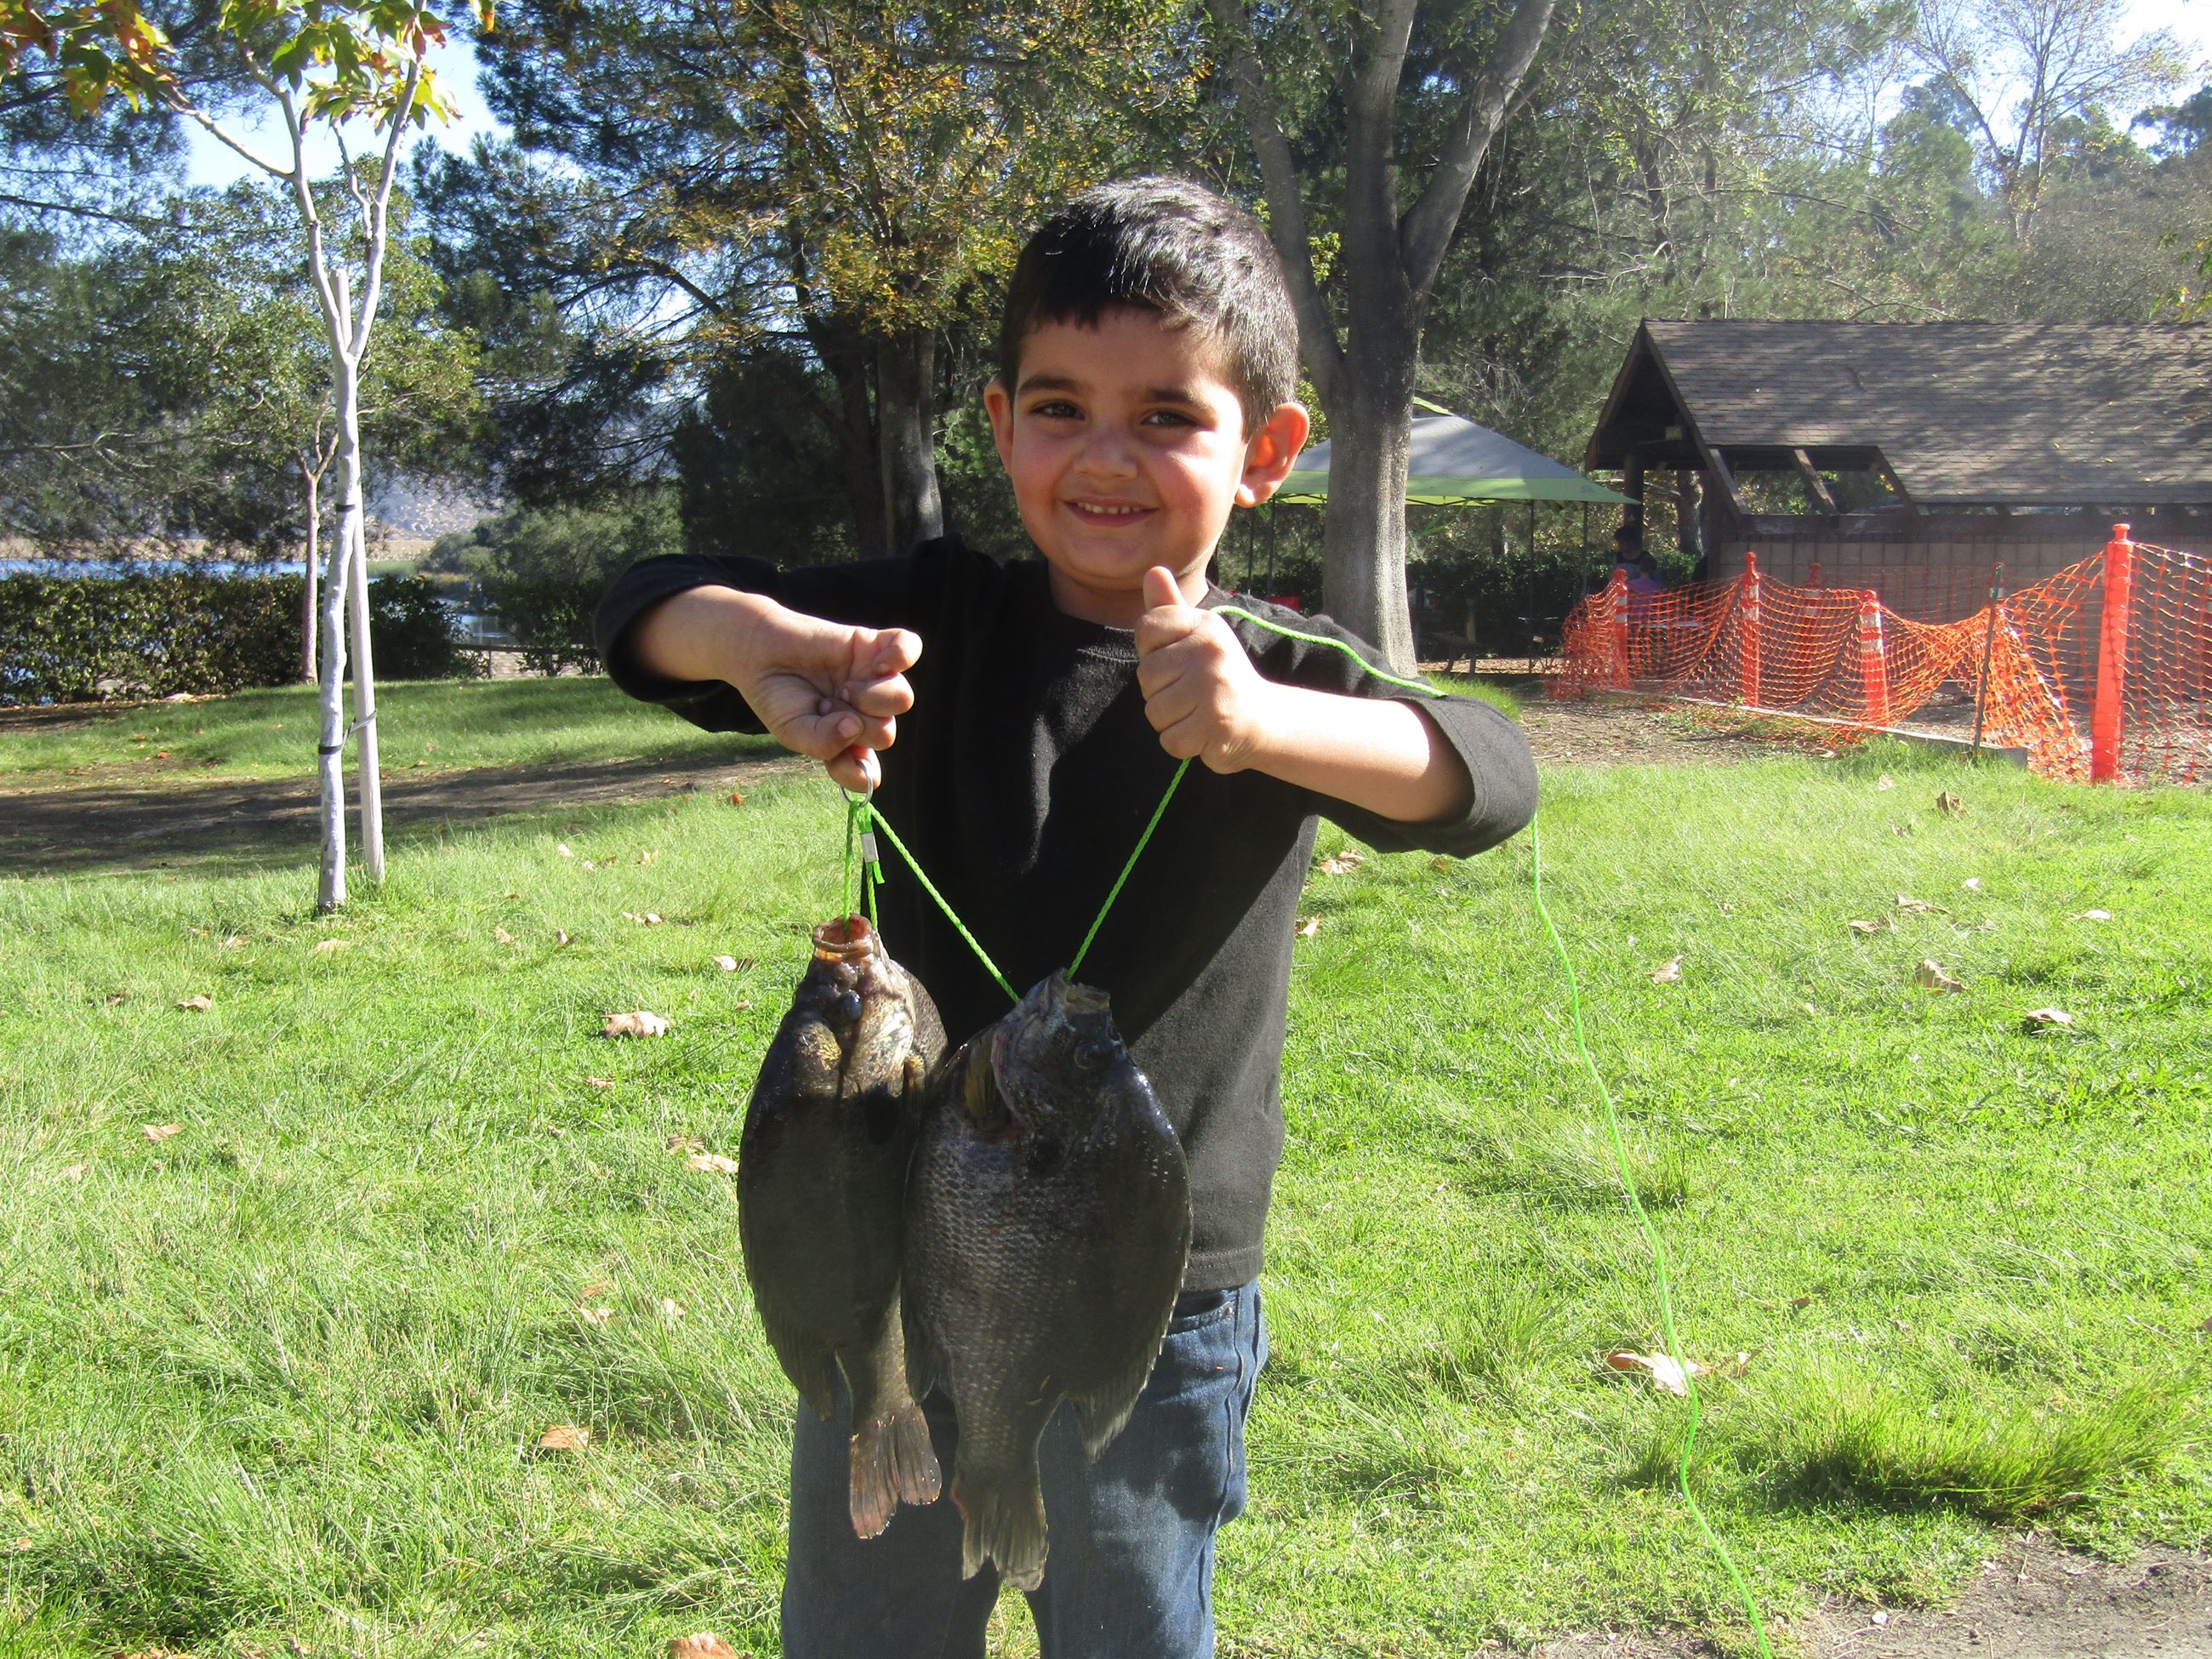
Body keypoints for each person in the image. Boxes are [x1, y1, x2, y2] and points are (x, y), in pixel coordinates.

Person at [593, 176, 1537, 1659]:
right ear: (999, 423)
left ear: (1269, 452)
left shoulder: (1282, 673)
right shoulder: (939, 621)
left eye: (1168, 414)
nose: (1106, 456)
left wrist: (1266, 723)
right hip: (911, 1252)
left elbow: (1489, 775)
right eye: (1059, 407)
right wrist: (760, 645)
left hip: (1145, 1300)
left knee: (1133, 1634)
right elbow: (644, 609)